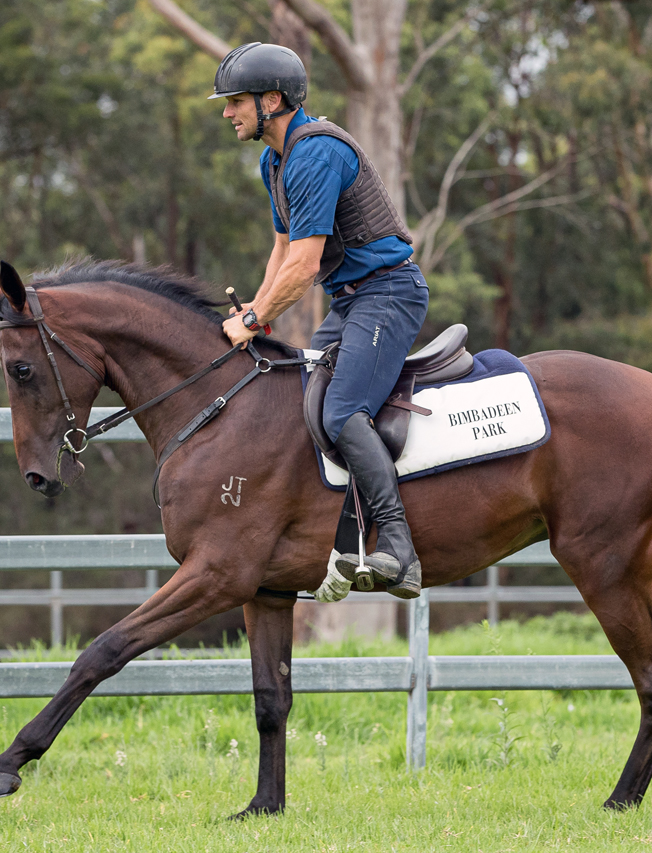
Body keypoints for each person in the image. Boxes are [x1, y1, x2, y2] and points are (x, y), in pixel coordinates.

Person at [211, 42, 428, 599]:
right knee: (301, 402)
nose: (228, 112)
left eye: (235, 101)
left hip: (388, 294)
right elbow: (283, 250)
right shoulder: (274, 161)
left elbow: (306, 265)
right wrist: (254, 316)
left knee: (341, 411)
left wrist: (256, 316)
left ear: (272, 100)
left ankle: (400, 551)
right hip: (351, 302)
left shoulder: (316, 154)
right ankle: (336, 542)